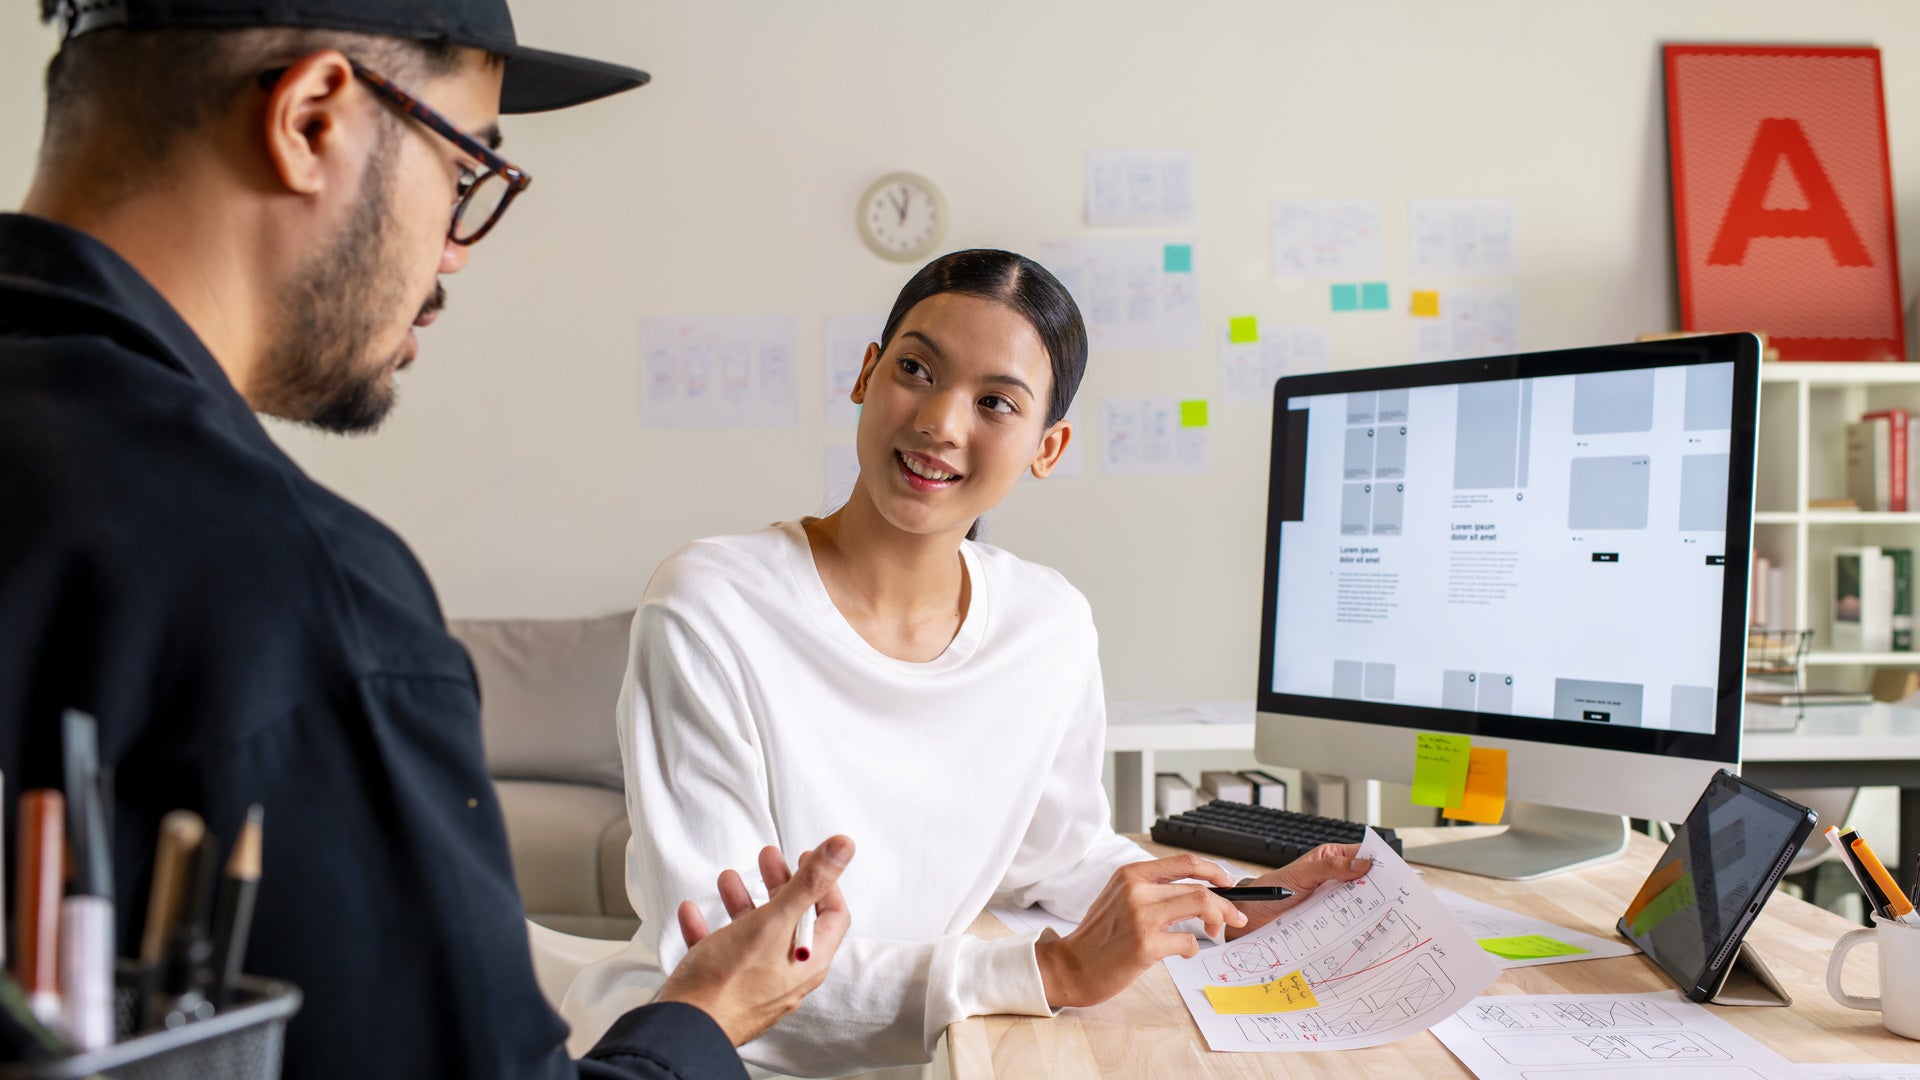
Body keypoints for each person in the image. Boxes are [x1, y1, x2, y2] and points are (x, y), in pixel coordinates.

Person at [0, 1, 856, 1076]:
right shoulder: (290, 592)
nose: (455, 255)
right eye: (464, 175)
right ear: (312, 119)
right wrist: (700, 1021)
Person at [563, 249, 1372, 1075]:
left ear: (1047, 447)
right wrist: (1049, 971)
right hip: (700, 1062)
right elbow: (722, 971)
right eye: (916, 369)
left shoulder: (1047, 624)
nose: (941, 422)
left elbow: (1062, 859)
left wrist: (1239, 905)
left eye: (995, 402)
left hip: (936, 1053)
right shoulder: (712, 604)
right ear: (867, 375)